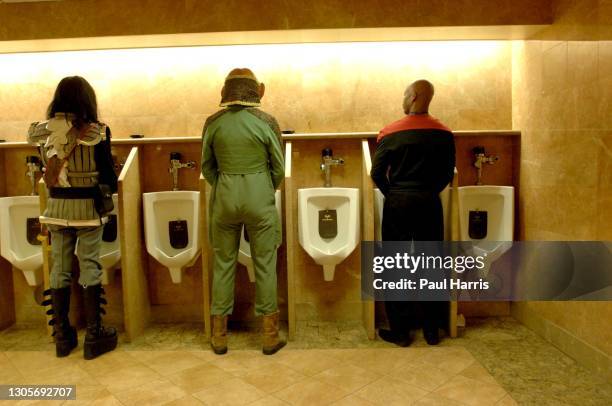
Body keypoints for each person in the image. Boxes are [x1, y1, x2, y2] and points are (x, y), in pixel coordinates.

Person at [27, 76, 118, 359]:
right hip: (87, 208)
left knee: (59, 267)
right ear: (87, 100)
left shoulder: (40, 131)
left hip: (56, 208)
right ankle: (94, 334)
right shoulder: (96, 131)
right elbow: (107, 176)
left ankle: (62, 336)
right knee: (90, 263)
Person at [201, 68, 285, 355]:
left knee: (223, 264)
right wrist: (262, 188)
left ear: (225, 91)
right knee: (265, 264)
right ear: (257, 90)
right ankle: (269, 336)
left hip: (224, 196)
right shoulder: (267, 122)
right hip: (259, 195)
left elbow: (206, 166)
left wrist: (225, 183)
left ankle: (220, 336)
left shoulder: (213, 122)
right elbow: (279, 167)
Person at [371, 79, 455, 346]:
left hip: (399, 202)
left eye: (405, 94)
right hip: (429, 201)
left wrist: (393, 193)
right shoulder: (443, 133)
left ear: (415, 96)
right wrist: (428, 191)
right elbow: (447, 173)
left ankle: (401, 331)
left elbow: (376, 173)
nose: (403, 99)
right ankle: (431, 331)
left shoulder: (391, 132)